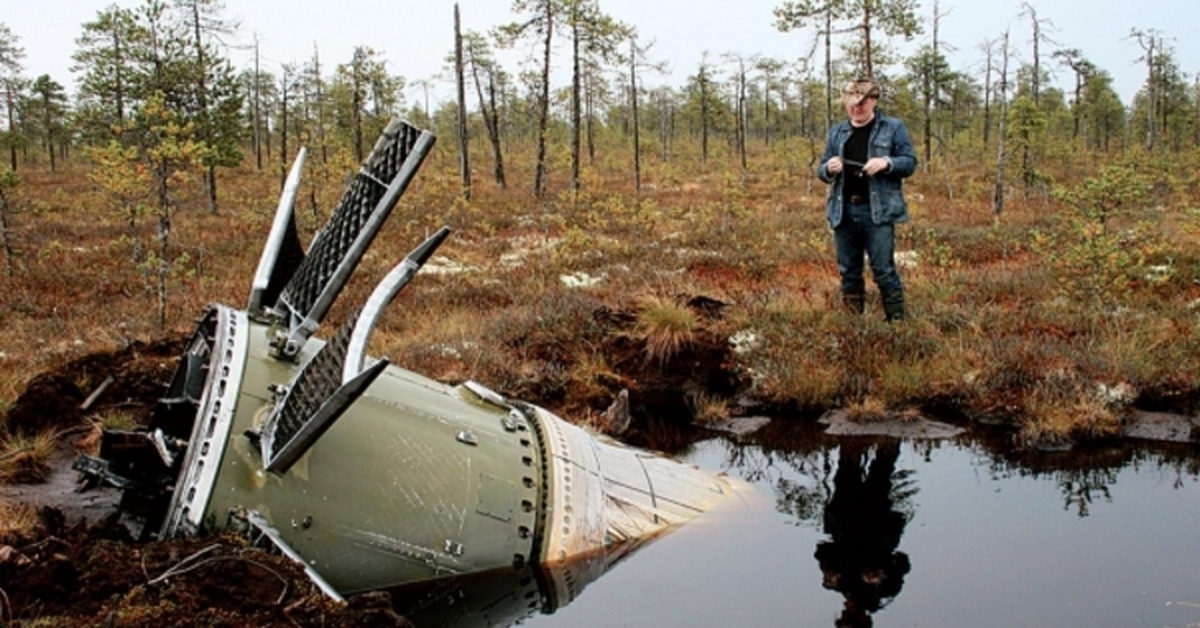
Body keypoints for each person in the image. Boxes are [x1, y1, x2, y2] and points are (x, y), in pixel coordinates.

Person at [817, 79, 917, 322]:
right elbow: (821, 170)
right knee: (848, 272)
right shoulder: (837, 132)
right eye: (851, 104)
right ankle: (854, 325)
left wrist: (886, 163)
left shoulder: (892, 127)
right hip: (844, 211)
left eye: (861, 103)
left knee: (883, 270)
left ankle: (897, 322)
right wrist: (829, 169)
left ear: (873, 101)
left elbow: (909, 162)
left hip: (878, 212)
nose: (856, 108)